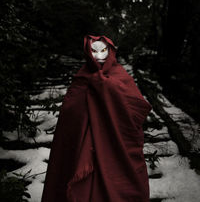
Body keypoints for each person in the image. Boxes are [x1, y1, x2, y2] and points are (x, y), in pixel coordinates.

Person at [41, 34, 152, 202]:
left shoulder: (120, 75)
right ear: (87, 52)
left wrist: (107, 87)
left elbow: (136, 108)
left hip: (114, 142)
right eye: (94, 51)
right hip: (83, 144)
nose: (99, 55)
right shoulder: (82, 78)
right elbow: (71, 113)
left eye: (103, 50)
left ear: (110, 51)